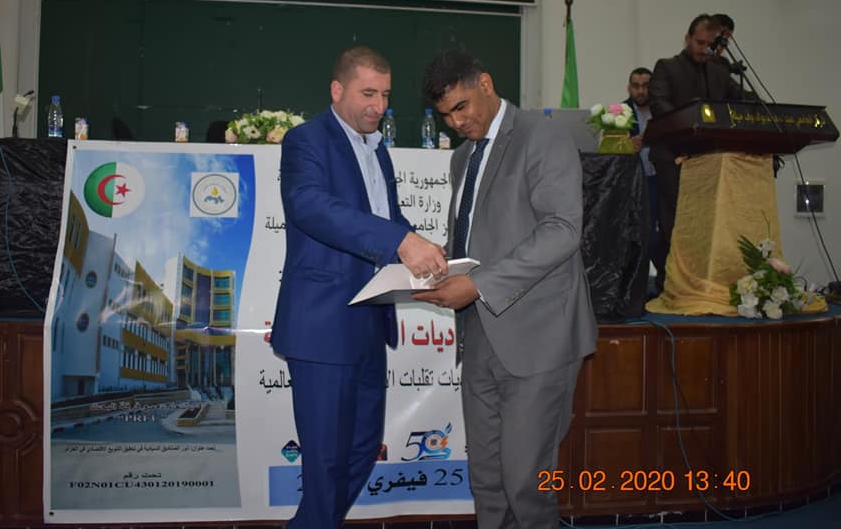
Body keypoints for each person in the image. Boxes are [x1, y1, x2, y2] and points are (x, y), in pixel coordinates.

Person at [413, 49, 597, 529]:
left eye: (461, 107)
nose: (456, 122)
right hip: (478, 335)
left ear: (486, 84)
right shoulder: (462, 158)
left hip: (539, 336)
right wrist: (442, 266)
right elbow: (481, 236)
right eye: (445, 115)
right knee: (488, 482)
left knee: (526, 484)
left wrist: (476, 284)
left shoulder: (542, 135)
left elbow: (562, 230)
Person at [271, 45, 448, 529]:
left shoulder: (378, 150)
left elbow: (386, 219)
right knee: (326, 463)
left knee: (363, 449)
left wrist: (429, 251)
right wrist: (402, 241)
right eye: (368, 93)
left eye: (385, 95)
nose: (379, 106)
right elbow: (310, 206)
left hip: (371, 322)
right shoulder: (306, 140)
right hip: (323, 325)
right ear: (337, 90)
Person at [647, 14, 755, 295]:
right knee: (675, 221)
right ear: (687, 39)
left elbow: (741, 97)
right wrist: (691, 121)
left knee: (708, 221)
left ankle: (702, 281)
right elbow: (659, 104)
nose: (704, 48)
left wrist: (765, 110)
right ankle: (670, 282)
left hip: (708, 158)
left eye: (709, 44)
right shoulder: (667, 67)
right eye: (699, 42)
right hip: (672, 155)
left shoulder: (719, 71)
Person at [623, 67, 659, 293]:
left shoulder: (662, 111)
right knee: (637, 235)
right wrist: (628, 144)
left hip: (659, 180)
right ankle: (635, 287)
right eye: (636, 86)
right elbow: (608, 148)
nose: (641, 91)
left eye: (646, 86)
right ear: (629, 88)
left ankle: (661, 282)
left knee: (657, 236)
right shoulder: (619, 112)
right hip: (633, 184)